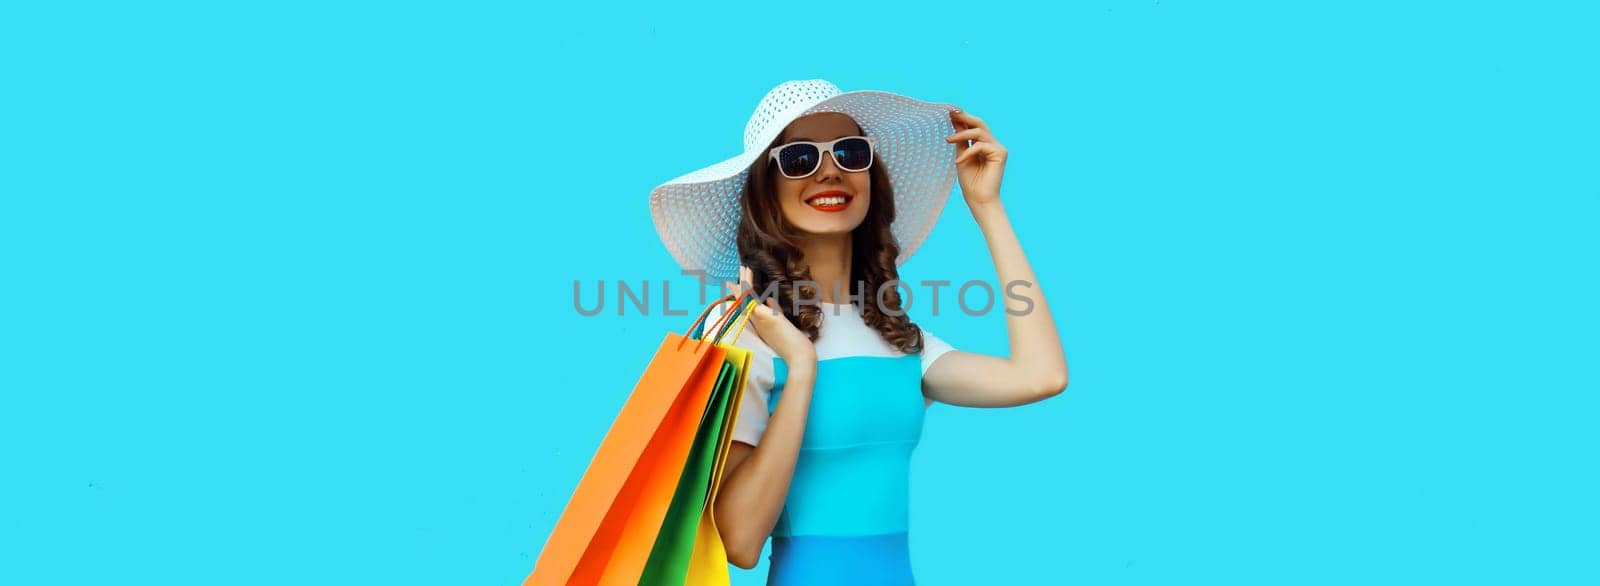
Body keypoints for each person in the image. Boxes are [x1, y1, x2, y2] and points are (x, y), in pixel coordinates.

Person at [648, 79, 1068, 585]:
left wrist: (987, 209)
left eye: (850, 153)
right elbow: (738, 541)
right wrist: (800, 367)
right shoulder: (749, 333)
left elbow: (1040, 376)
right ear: (766, 191)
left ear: (871, 177)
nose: (830, 170)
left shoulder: (896, 339)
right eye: (800, 158)